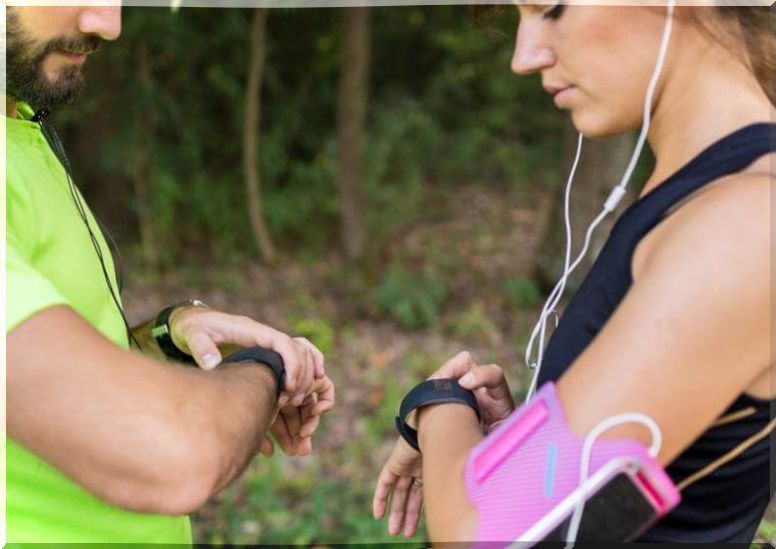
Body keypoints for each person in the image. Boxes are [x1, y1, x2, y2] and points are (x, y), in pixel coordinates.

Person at [373, 3, 774, 544]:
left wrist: (441, 405)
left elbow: (480, 537)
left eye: (552, 7)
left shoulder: (745, 222)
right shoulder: (702, 197)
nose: (523, 56)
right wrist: (520, 443)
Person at [5, 5, 335, 543]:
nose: (108, 24)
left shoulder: (19, 123)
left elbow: (58, 373)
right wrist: (266, 369)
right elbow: (173, 455)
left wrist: (174, 331)